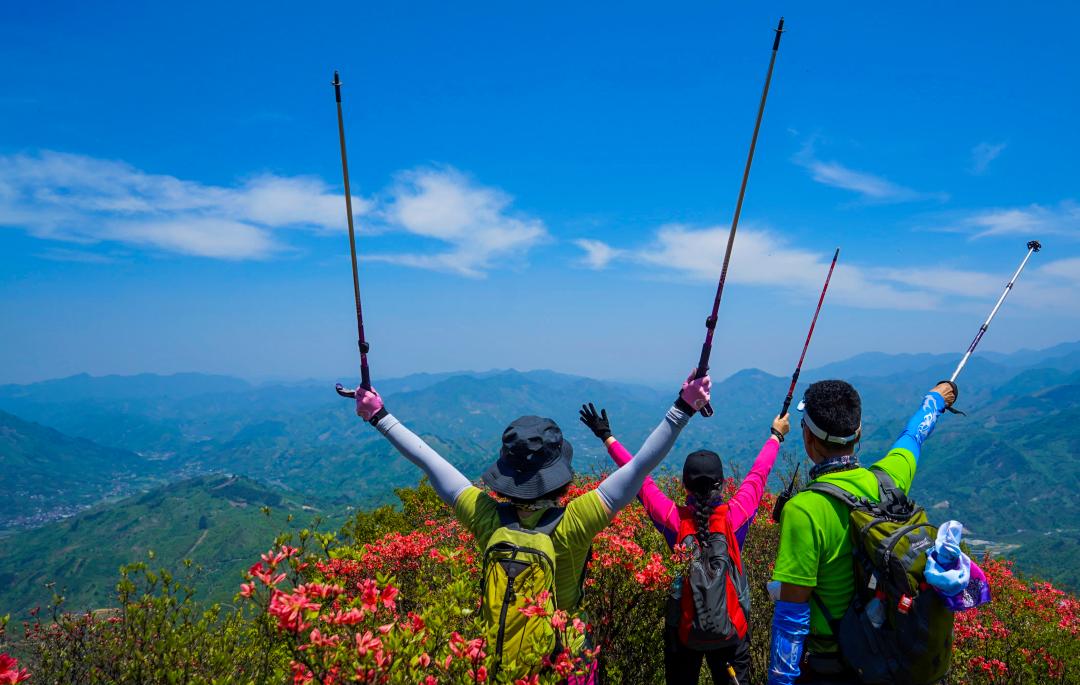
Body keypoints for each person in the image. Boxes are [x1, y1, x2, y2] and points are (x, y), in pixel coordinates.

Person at [350, 371, 711, 682]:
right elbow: (640, 467)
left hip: (502, 661)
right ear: (557, 474)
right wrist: (683, 406)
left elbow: (429, 460)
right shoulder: (576, 520)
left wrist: (379, 415)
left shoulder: (486, 516)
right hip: (566, 658)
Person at [580, 402, 790, 685]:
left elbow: (638, 477)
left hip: (684, 634)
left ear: (683, 485)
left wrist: (607, 436)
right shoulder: (735, 516)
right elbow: (758, 474)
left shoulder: (673, 520)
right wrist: (776, 435)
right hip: (732, 633)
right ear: (724, 484)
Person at [766, 379, 957, 685]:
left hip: (833, 666)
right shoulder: (888, 482)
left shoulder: (804, 510)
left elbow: (791, 616)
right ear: (858, 434)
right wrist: (934, 400)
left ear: (807, 436)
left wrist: (779, 681)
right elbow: (914, 437)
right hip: (889, 655)